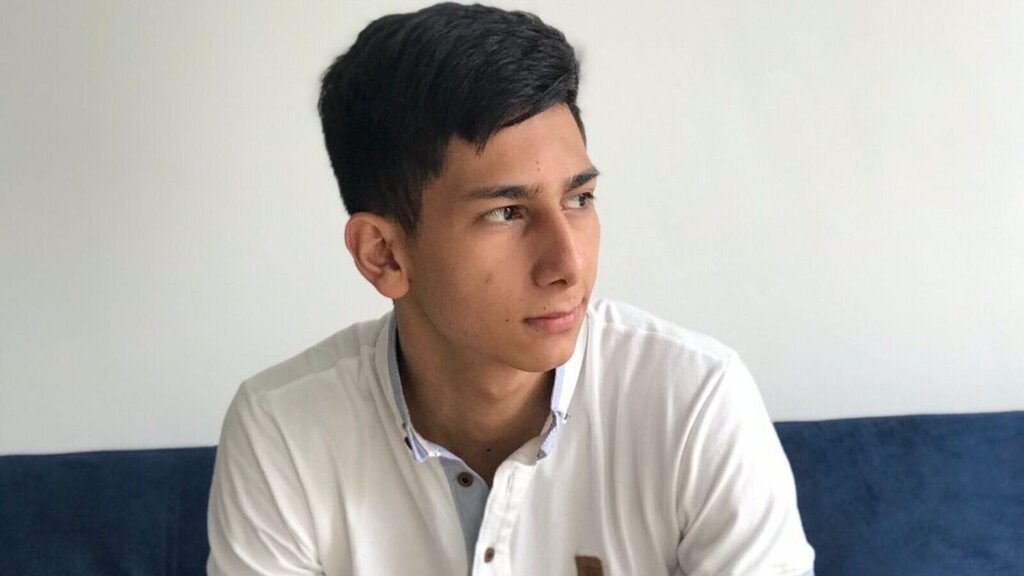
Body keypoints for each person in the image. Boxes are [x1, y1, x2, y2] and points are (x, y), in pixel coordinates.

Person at [206, 3, 815, 575]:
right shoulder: (283, 431)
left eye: (580, 199)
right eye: (506, 212)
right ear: (383, 254)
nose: (568, 264)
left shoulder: (695, 402)